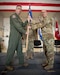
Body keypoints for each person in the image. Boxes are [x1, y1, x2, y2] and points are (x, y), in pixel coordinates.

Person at [5, 5, 30, 71]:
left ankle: (21, 62)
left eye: (20, 9)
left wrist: (27, 21)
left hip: (19, 37)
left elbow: (22, 25)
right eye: (18, 9)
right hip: (14, 37)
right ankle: (7, 64)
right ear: (15, 9)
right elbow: (18, 26)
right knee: (11, 50)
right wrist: (25, 32)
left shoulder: (18, 18)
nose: (19, 10)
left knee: (20, 51)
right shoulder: (13, 16)